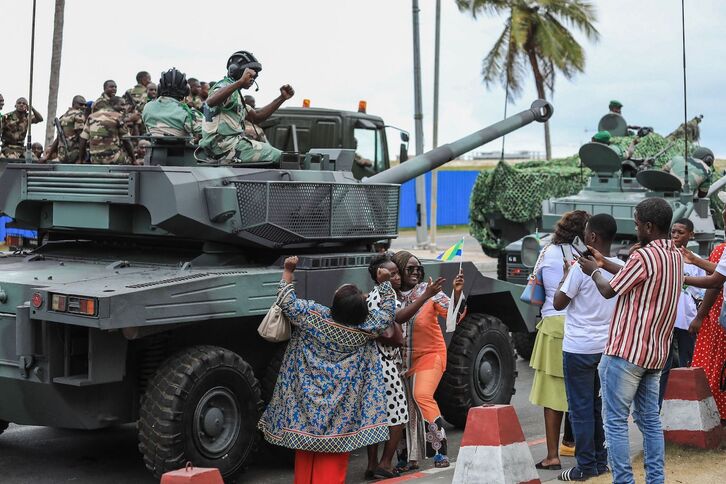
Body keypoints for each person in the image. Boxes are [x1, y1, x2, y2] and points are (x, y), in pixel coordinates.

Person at [258, 256, 396, 484]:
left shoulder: (314, 317)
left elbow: (286, 301)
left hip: (306, 404)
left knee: (306, 450)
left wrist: (288, 271)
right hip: (343, 408)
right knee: (335, 449)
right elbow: (388, 313)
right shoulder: (366, 328)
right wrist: (384, 284)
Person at [579, 197, 683, 484]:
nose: (635, 227)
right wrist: (603, 262)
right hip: (655, 356)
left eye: (637, 223)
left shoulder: (643, 256)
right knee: (650, 421)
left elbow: (610, 290)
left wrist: (594, 270)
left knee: (614, 422)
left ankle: (623, 480)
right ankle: (655, 480)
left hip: (625, 353)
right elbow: (631, 276)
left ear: (649, 226)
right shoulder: (674, 255)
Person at [553, 214, 623, 481]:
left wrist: (564, 277)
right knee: (600, 407)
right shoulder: (622, 265)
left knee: (580, 409)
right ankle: (600, 462)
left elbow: (559, 303)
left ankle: (584, 466)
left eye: (585, 232)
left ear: (593, 237)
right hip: (608, 347)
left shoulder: (580, 268)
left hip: (579, 349)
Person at [364, 253, 443, 480]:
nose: (398, 277)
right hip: (387, 364)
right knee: (398, 416)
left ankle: (371, 464)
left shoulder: (371, 295)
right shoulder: (388, 295)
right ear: (381, 276)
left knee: (376, 416)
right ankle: (386, 463)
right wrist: (426, 295)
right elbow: (399, 317)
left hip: (372, 362)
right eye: (393, 273)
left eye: (398, 273)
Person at [391, 251, 465, 469]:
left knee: (421, 395)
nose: (416, 272)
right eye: (410, 268)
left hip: (431, 355)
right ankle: (406, 458)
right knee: (402, 407)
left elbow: (455, 317)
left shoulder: (428, 291)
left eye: (418, 268)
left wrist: (457, 293)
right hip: (400, 361)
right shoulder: (390, 296)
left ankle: (439, 451)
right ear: (398, 271)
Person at [529, 210, 588, 471]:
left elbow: (537, 288)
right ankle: (577, 445)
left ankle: (553, 455)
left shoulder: (548, 252)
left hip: (553, 325)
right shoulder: (585, 256)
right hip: (578, 324)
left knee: (553, 397)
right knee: (582, 392)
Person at [201, 50, 294, 163]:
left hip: (231, 146)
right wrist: (239, 82)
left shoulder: (236, 95)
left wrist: (282, 98)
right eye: (250, 74)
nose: (253, 79)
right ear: (235, 70)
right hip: (225, 148)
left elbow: (256, 117)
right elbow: (211, 101)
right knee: (286, 159)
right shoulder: (224, 86)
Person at [682, 200, 726, 421]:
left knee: (713, 366)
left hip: (718, 317)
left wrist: (700, 316)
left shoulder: (722, 249)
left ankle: (716, 413)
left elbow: (715, 282)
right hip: (718, 314)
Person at [142, 68, 202, 141]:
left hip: (154, 150)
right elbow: (205, 131)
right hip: (181, 151)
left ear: (159, 88)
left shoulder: (147, 107)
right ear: (186, 90)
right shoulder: (187, 112)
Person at [79, 96, 134, 165]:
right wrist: (134, 160)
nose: (124, 108)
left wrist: (80, 160)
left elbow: (83, 139)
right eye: (122, 105)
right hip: (114, 158)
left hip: (95, 160)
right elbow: (127, 140)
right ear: (113, 104)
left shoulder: (91, 117)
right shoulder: (118, 116)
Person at [42, 95, 87, 163]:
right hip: (75, 155)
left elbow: (58, 139)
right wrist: (80, 159)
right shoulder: (79, 114)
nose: (83, 107)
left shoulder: (63, 117)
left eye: (85, 105)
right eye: (81, 104)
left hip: (63, 155)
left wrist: (47, 156)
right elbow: (82, 137)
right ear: (74, 104)